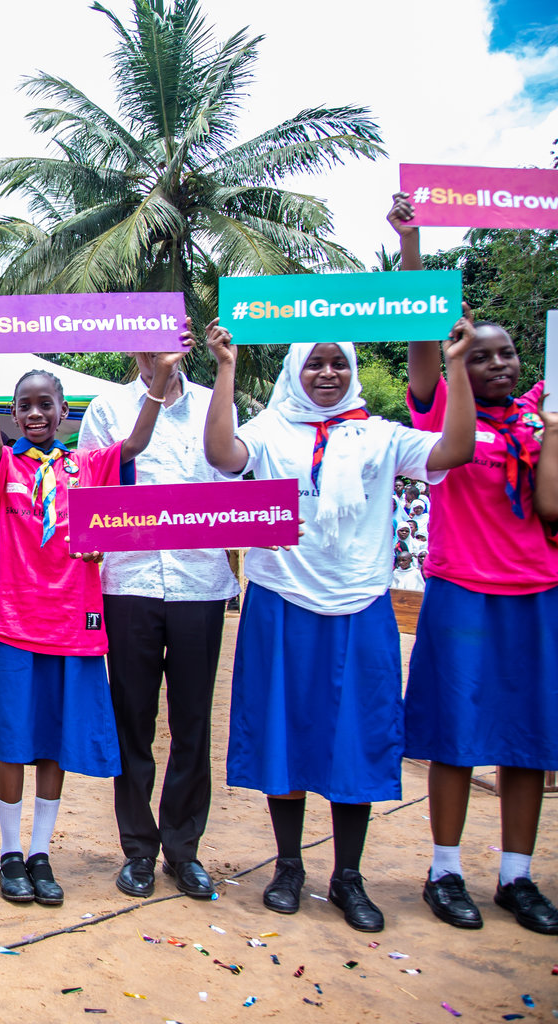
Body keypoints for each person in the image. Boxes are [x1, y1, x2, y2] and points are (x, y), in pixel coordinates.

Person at [202, 313, 474, 933]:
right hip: (281, 599)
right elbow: (222, 456)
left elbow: (455, 450)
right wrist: (225, 369)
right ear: (296, 369)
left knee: (357, 739)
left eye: (338, 363)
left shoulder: (378, 435)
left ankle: (347, 875)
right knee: (286, 735)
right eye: (315, 363)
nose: (327, 373)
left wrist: (456, 364)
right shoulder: (270, 429)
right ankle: (290, 866)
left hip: (360, 606)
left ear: (351, 370)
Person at [0, 344, 186, 907]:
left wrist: (158, 384)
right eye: (23, 407)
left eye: (45, 405)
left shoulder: (88, 467)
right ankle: (10, 854)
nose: (35, 415)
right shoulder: (3, 464)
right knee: (13, 741)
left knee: (54, 744)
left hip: (70, 624)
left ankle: (40, 852)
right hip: (10, 620)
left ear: (64, 413)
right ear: (13, 413)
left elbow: (135, 444)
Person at [391, 191, 558, 934]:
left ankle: (517, 877)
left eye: (504, 354)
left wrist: (551, 433)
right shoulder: (440, 408)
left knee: (531, 741)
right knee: (456, 736)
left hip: (538, 593)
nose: (494, 363)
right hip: (461, 592)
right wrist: (412, 242)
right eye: (480, 353)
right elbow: (424, 334)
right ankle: (446, 870)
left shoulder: (542, 421)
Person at [77, 335, 239, 901]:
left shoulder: (214, 404)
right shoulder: (108, 410)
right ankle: (139, 850)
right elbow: (93, 488)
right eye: (145, 348)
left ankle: (184, 850)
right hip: (129, 584)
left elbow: (230, 486)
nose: (156, 358)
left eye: (165, 347)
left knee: (192, 723)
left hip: (200, 584)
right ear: (130, 351)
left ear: (184, 346)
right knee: (133, 723)